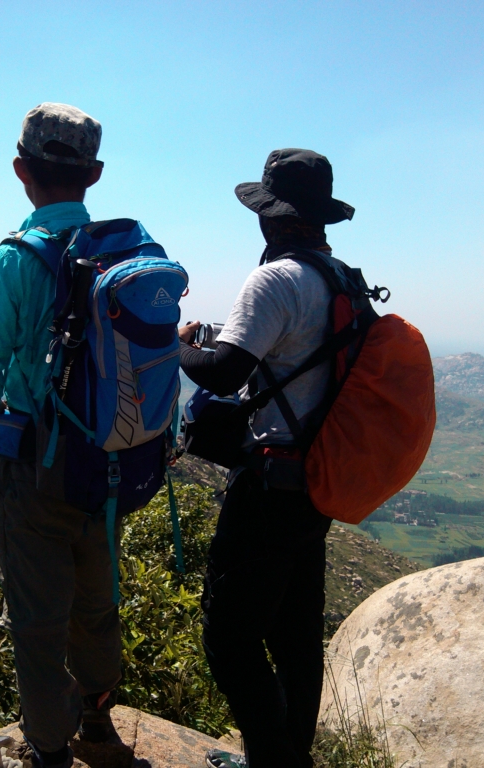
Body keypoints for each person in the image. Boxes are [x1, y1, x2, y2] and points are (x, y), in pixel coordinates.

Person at [177, 149, 356, 768]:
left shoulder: (277, 278)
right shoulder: (342, 278)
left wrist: (182, 347)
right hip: (319, 481)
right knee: (296, 636)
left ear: (268, 216)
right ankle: (285, 758)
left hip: (271, 484)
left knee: (228, 637)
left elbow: (225, 372)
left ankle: (272, 762)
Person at [0, 103, 122, 768]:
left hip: (36, 468)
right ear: (96, 173)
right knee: (97, 600)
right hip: (109, 467)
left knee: (38, 620)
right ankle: (99, 725)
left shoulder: (16, 258)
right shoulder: (122, 251)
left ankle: (49, 753)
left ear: (22, 170)